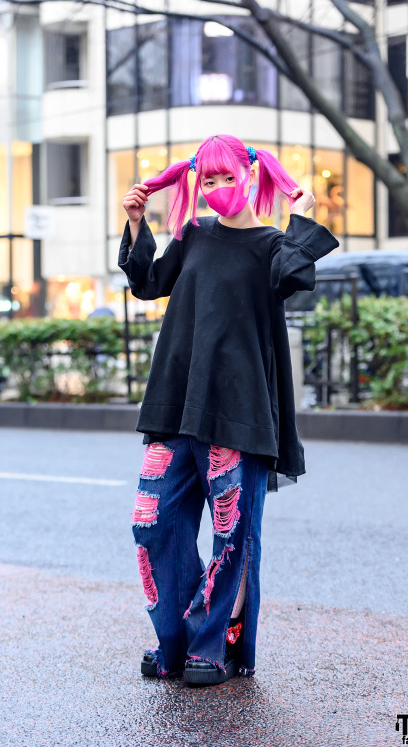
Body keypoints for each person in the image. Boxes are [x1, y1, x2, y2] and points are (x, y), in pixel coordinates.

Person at [118, 134, 339, 686]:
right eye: (207, 180)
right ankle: (176, 638)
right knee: (151, 524)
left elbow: (295, 276)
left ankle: (215, 643)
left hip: (238, 411)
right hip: (175, 405)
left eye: (225, 177)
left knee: (232, 533)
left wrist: (300, 216)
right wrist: (135, 221)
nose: (217, 189)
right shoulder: (192, 235)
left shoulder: (271, 245)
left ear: (250, 174)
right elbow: (148, 283)